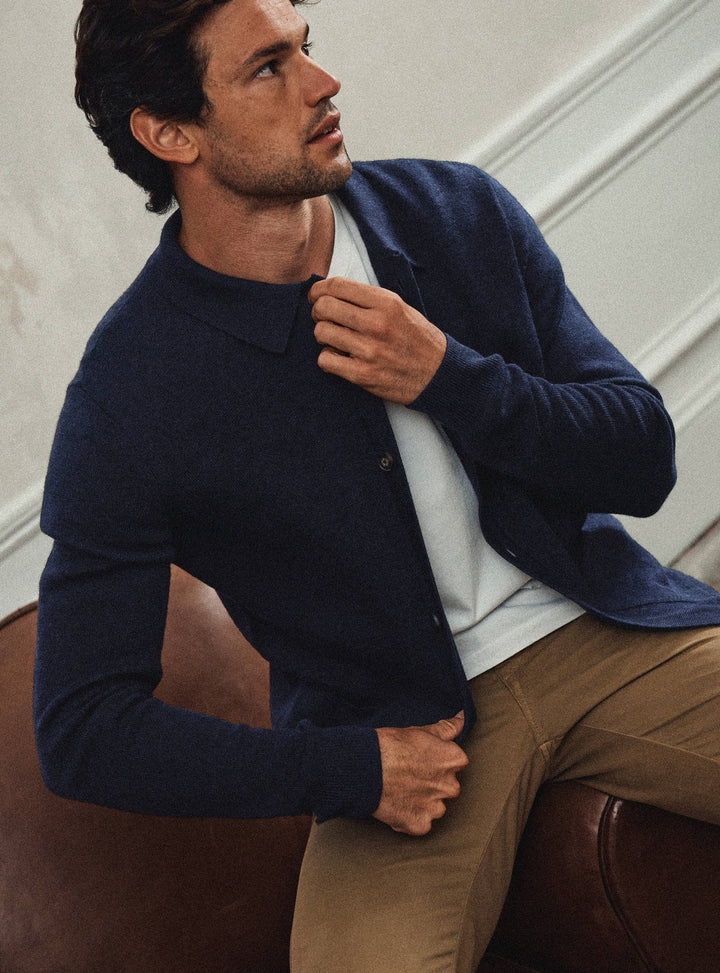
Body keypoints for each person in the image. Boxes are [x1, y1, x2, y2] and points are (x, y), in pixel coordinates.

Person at [34, 0, 720, 969]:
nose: (324, 84)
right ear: (170, 133)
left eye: (305, 48)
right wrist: (348, 767)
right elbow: (83, 727)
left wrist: (454, 379)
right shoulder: (128, 396)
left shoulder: (456, 212)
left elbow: (644, 459)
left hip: (600, 632)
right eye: (268, 68)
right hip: (394, 734)